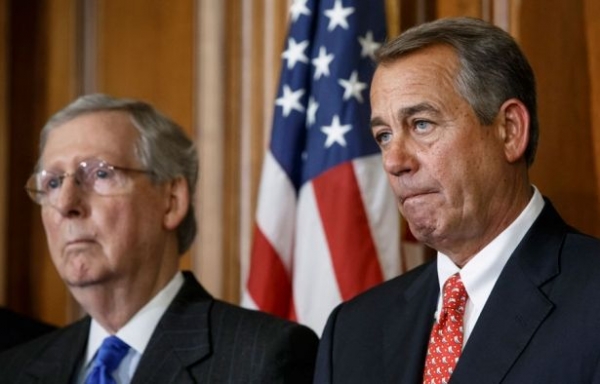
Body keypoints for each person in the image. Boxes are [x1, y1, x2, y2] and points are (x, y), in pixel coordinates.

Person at [314, 17, 600, 384]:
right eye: (384, 135)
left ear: (510, 131)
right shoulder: (352, 332)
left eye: (421, 124)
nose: (394, 161)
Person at [0, 94, 318, 383]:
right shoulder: (14, 368)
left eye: (100, 174)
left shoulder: (264, 356)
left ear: (171, 200)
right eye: (53, 183)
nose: (67, 204)